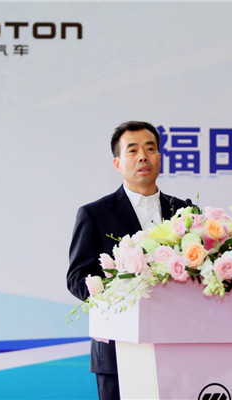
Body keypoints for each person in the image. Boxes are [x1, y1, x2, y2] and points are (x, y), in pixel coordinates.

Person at [66, 121, 188, 400]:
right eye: (133, 150)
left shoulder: (183, 211)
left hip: (177, 348)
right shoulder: (94, 214)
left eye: (150, 149)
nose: (143, 156)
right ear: (117, 163)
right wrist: (116, 289)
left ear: (159, 157)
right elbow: (77, 278)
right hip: (118, 353)